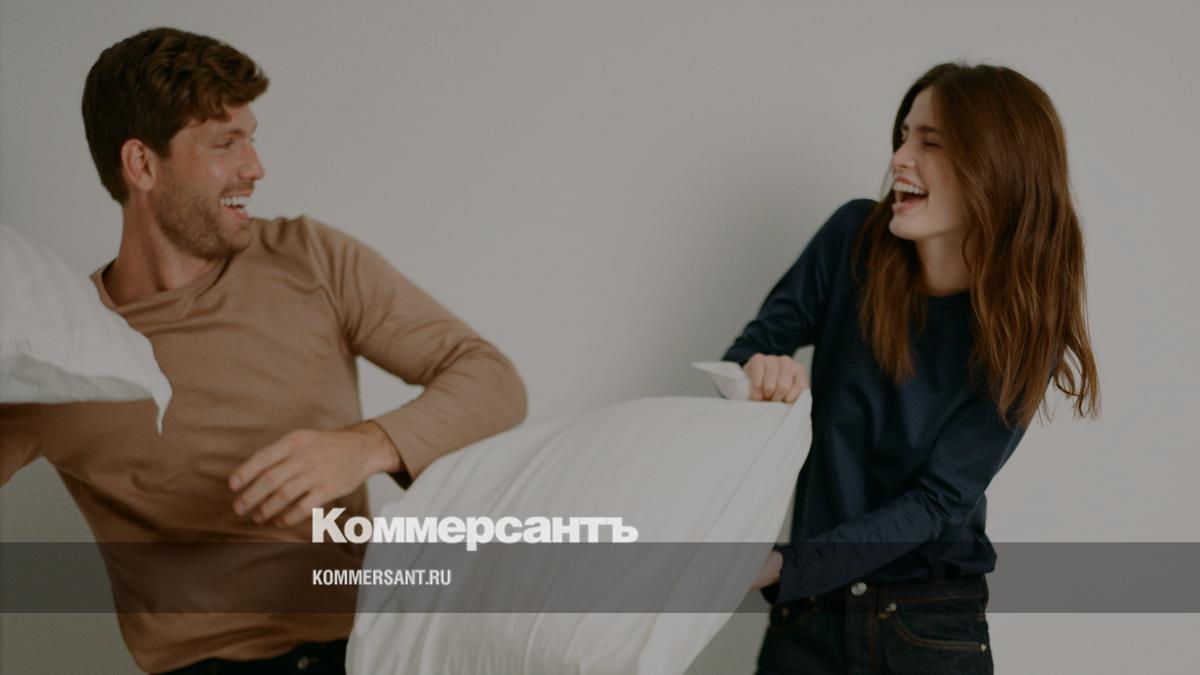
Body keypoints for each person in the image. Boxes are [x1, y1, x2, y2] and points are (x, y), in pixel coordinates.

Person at [0, 27, 527, 675]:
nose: (255, 167)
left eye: (251, 139)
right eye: (226, 144)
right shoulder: (54, 347)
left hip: (365, 649)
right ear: (142, 164)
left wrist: (363, 447)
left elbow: (491, 379)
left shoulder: (310, 258)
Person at [730, 62, 1099, 674]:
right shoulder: (852, 240)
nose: (900, 158)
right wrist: (761, 372)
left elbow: (935, 503)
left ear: (997, 167)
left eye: (930, 142)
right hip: (809, 616)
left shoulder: (1022, 330)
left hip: (928, 630)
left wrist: (781, 566)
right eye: (903, 136)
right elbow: (745, 354)